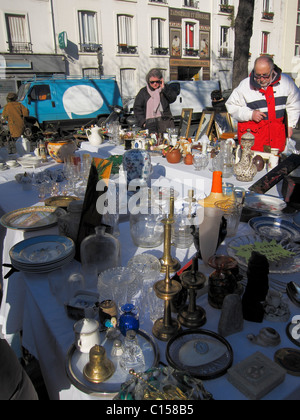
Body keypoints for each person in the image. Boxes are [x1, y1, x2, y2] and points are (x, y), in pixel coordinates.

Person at [226, 56, 300, 152]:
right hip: (254, 144)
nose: (261, 79)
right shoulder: (245, 85)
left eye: (265, 75)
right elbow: (231, 105)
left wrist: (290, 125)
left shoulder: (286, 82)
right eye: (257, 75)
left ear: (272, 70)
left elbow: (294, 103)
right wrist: (250, 114)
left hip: (277, 141)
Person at [133, 69, 178, 134]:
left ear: (161, 80)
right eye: (152, 82)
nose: (155, 84)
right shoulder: (143, 92)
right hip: (150, 124)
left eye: (157, 81)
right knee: (152, 142)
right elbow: (137, 108)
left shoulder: (165, 89)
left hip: (165, 123)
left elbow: (173, 98)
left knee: (166, 143)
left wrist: (164, 88)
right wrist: (143, 122)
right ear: (148, 81)